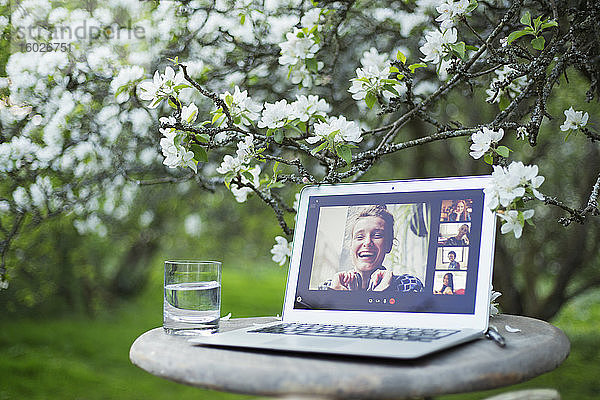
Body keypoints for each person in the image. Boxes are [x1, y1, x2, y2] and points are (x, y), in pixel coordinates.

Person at [320, 205, 423, 292]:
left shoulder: (408, 286)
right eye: (360, 237)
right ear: (351, 246)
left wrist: (381, 295)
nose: (367, 242)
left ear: (389, 245)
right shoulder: (328, 287)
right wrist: (335, 297)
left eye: (377, 235)